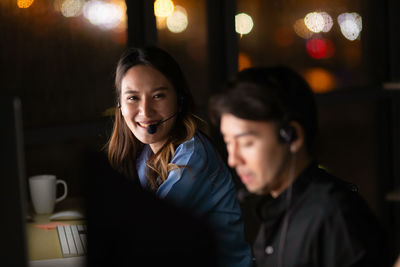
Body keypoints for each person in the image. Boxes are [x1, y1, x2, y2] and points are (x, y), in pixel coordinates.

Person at [208, 66, 391, 267]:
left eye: (246, 143)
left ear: (292, 136)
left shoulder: (333, 216)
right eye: (228, 143)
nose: (233, 160)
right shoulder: (277, 209)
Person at [106, 46, 253, 267]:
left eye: (158, 96)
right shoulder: (147, 153)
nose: (145, 111)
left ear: (179, 99)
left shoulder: (194, 158)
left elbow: (144, 231)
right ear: (119, 104)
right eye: (133, 98)